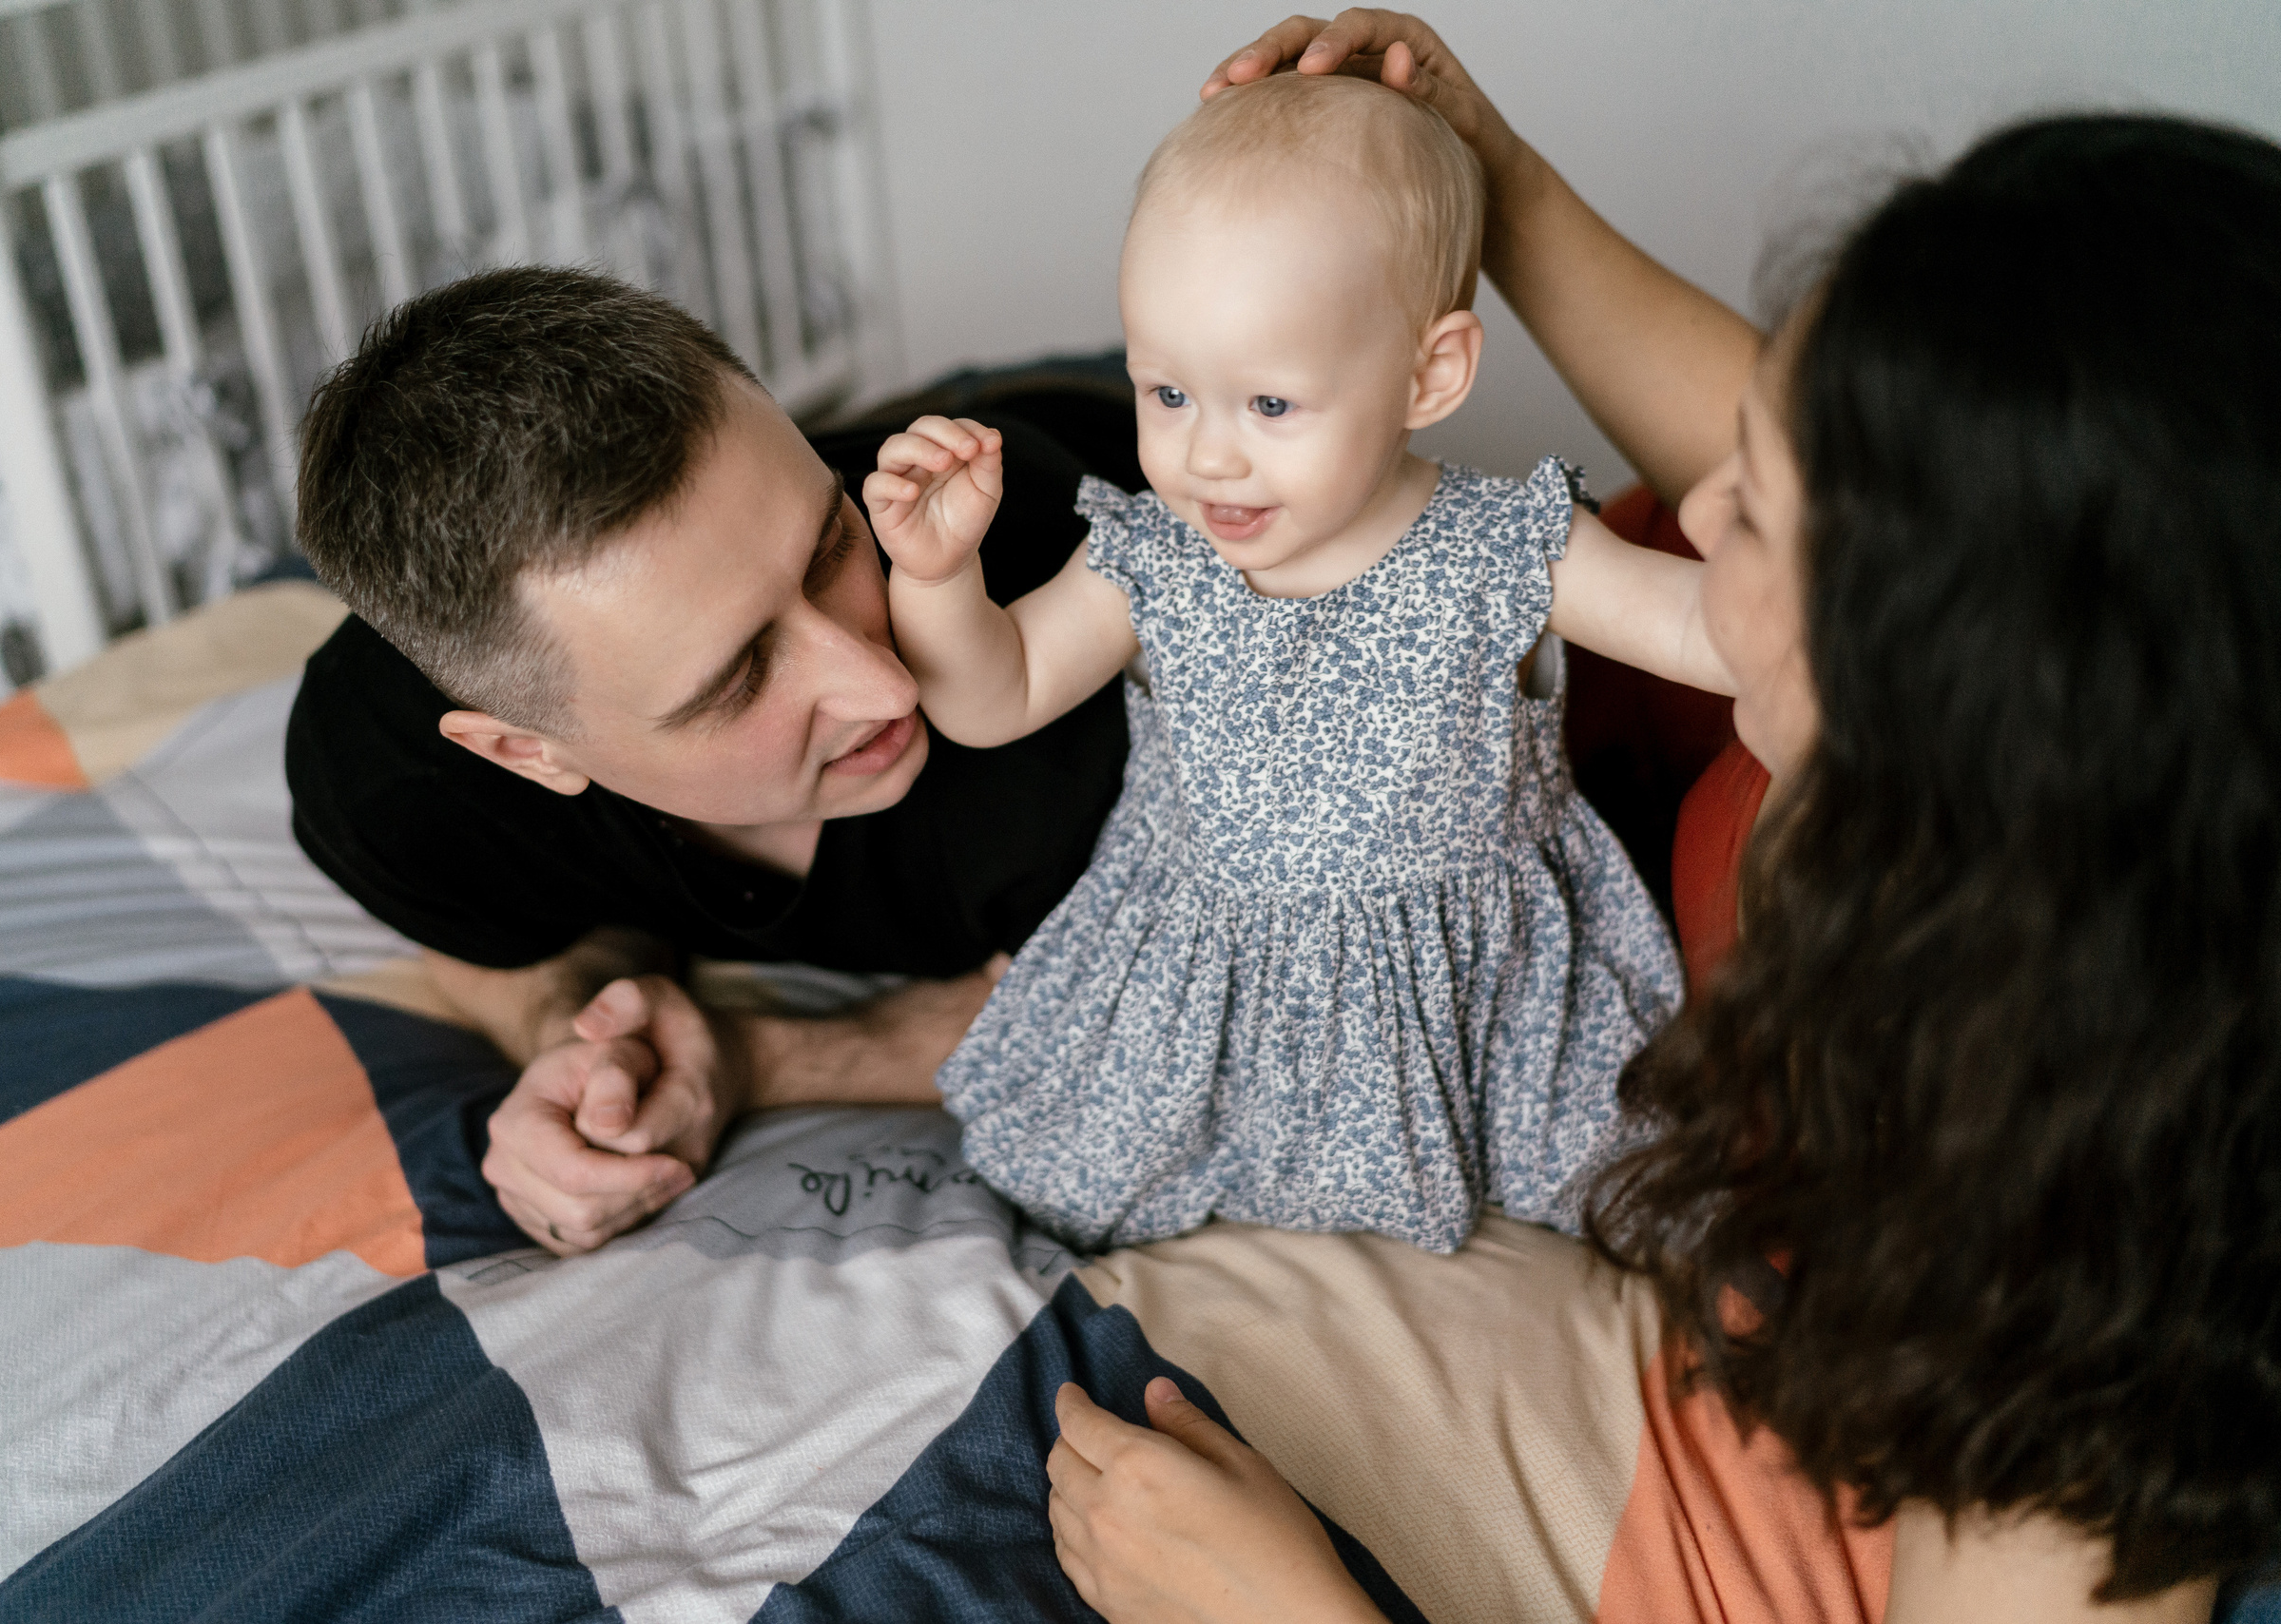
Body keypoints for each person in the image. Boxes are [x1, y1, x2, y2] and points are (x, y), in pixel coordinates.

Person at [1040, 13, 2281, 1624]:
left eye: (1757, 507)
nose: (1694, 505)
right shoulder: (2028, 739)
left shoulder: (2069, 1239)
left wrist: (1287, 1609)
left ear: (1956, 658)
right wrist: (1485, 166)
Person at [863, 71, 1731, 1255]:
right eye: (1168, 392)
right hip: (1204, 1005)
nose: (1208, 456)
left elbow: (1708, 635)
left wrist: (1762, 536)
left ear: (1429, 375)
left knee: (1653, 1187)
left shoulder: (1509, 547)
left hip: (1479, 1012)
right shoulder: (1153, 556)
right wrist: (936, 579)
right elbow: (992, 696)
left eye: (1269, 404)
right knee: (1063, 1173)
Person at [286, 268, 1131, 1254]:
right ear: (525, 753)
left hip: (1089, 439)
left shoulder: (1064, 636)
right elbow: (483, 931)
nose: (889, 689)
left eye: (830, 548)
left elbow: (1123, 1005)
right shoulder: (386, 775)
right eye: (738, 679)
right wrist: (584, 1037)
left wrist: (753, 1058)